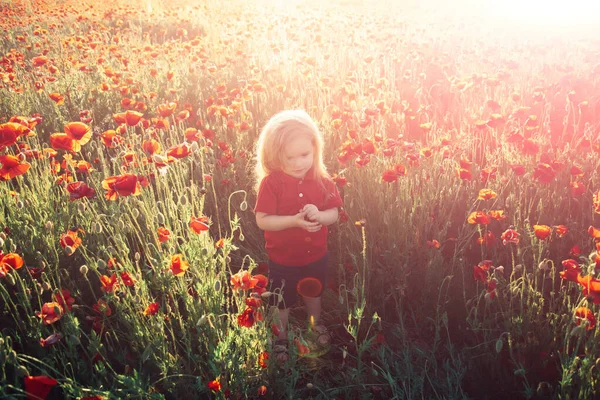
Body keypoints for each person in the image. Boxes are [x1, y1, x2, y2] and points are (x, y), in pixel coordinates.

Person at [254, 109, 343, 361]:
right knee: (280, 300)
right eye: (288, 157)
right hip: (282, 258)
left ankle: (315, 324)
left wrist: (319, 215)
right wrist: (294, 221)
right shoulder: (271, 184)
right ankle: (279, 337)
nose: (297, 163)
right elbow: (263, 220)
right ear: (274, 156)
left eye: (304, 155)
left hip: (316, 255)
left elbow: (334, 214)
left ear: (315, 149)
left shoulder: (322, 180)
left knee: (313, 293)